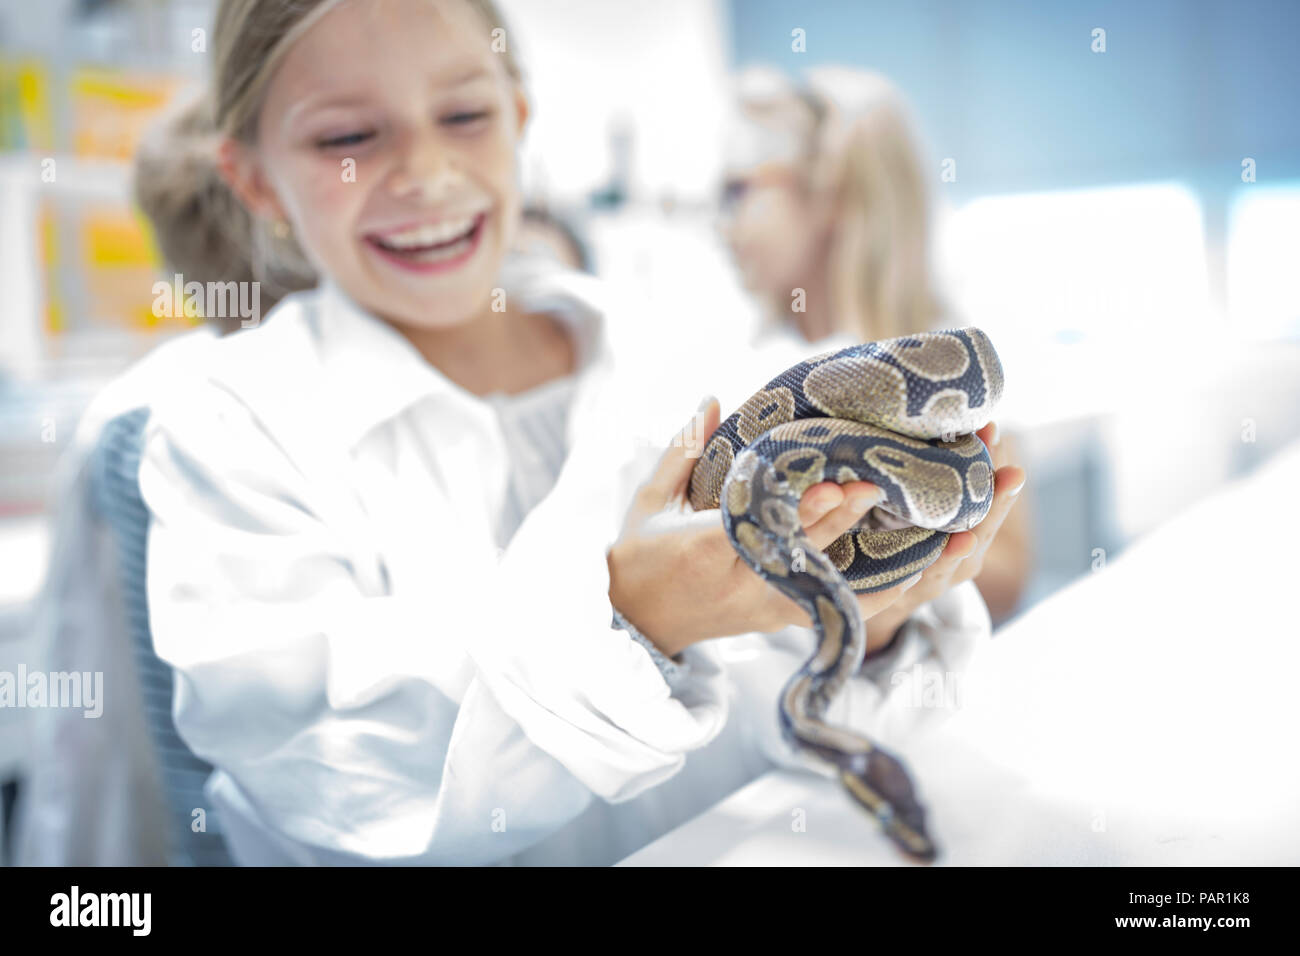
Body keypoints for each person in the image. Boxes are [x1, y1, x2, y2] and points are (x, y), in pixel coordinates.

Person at [70, 0, 997, 866]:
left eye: (465, 116)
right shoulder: (223, 427)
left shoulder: (684, 355)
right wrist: (636, 619)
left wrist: (875, 627)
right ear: (254, 179)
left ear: (520, 116)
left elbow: (777, 718)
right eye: (348, 137)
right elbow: (335, 779)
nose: (425, 174)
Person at [720, 65, 1033, 629]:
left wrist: (892, 525)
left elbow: (1009, 573)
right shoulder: (747, 361)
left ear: (833, 194)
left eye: (742, 190)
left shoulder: (954, 367)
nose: (725, 224)